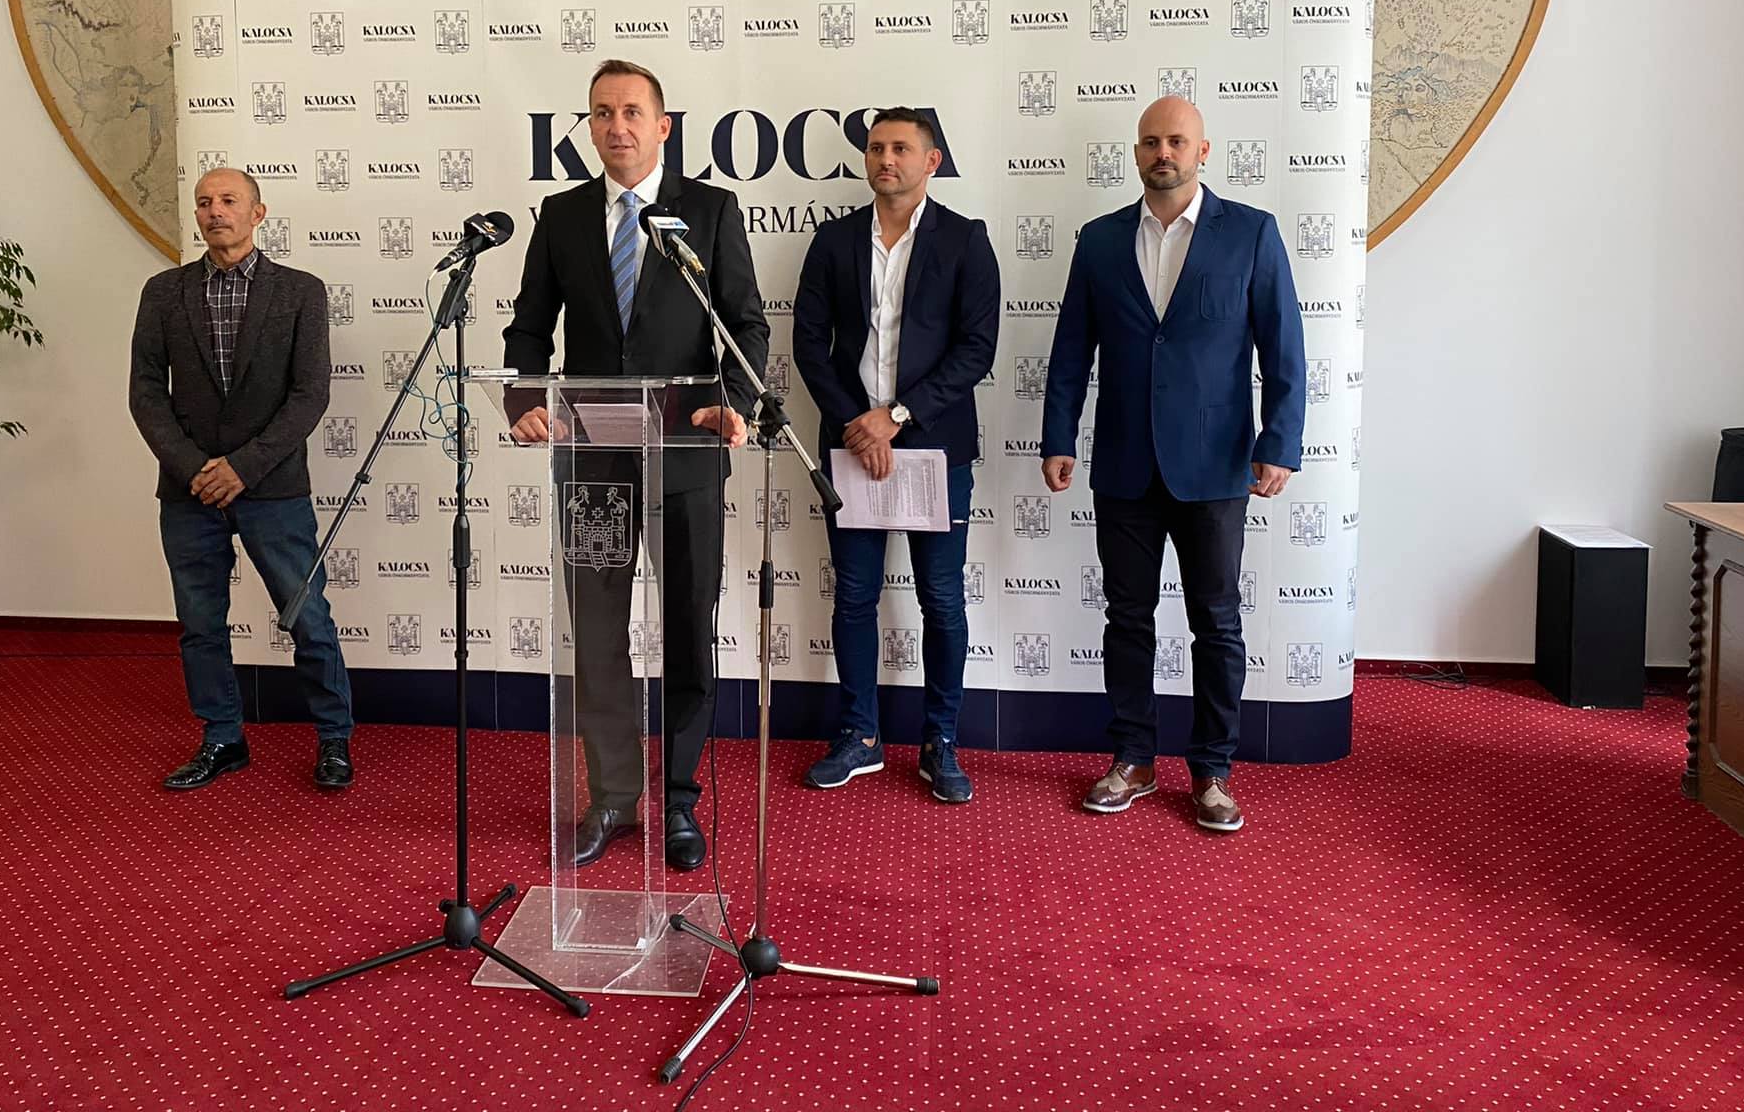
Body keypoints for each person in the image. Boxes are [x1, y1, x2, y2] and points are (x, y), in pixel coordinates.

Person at [503, 59, 766, 871]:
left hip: (688, 454)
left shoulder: (709, 211)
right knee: (598, 633)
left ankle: (679, 800)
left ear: (662, 126)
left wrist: (735, 404)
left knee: (687, 627)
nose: (615, 126)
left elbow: (745, 326)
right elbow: (528, 328)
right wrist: (523, 402)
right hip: (592, 460)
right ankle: (614, 795)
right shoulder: (562, 215)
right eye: (601, 113)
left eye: (631, 112)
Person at [1040, 97, 1303, 833]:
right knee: (1127, 618)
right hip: (1124, 461)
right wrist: (1058, 436)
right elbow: (1070, 351)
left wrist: (1280, 443)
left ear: (1203, 151)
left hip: (1216, 467)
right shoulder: (1099, 240)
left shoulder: (1251, 232)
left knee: (1216, 622)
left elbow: (1284, 348)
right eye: (1152, 142)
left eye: (1177, 141)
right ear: (1136, 153)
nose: (1164, 152)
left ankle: (1213, 769)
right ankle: (1133, 759)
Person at [791, 107, 999, 803]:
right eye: (877, 147)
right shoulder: (833, 240)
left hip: (935, 446)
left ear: (931, 161)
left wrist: (896, 417)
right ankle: (860, 735)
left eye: (901, 148)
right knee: (854, 597)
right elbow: (809, 343)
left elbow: (976, 349)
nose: (886, 158)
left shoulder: (966, 240)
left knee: (941, 598)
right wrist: (858, 422)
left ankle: (941, 742)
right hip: (852, 444)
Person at [129, 167, 356, 792]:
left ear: (258, 213)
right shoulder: (163, 292)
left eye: (229, 200)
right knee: (200, 625)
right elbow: (145, 393)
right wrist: (194, 468)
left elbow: (309, 396)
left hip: (273, 488)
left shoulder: (301, 292)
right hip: (189, 491)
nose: (215, 211)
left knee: (308, 617)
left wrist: (242, 468)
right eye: (205, 202)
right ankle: (222, 739)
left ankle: (334, 740)